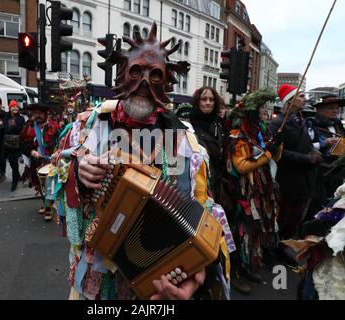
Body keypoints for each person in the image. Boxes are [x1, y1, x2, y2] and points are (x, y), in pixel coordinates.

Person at [53, 23, 229, 300]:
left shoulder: (185, 140)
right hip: (101, 284)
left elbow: (204, 208)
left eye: (155, 75)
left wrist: (200, 268)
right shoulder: (88, 126)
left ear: (167, 81)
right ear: (122, 73)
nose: (145, 82)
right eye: (136, 71)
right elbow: (55, 174)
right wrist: (76, 170)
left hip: (161, 282)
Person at [225, 90, 283, 294]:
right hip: (244, 196)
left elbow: (272, 155)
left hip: (261, 191)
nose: (261, 114)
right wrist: (267, 154)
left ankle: (249, 267)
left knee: (256, 231)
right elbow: (241, 166)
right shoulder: (237, 135)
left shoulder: (259, 132)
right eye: (257, 111)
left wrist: (277, 144)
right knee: (242, 234)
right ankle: (236, 274)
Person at [269, 84, 323, 257]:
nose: (304, 99)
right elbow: (278, 153)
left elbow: (305, 144)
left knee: (295, 218)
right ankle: (274, 249)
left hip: (304, 180)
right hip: (288, 180)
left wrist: (313, 152)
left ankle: (284, 246)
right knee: (283, 218)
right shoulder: (278, 123)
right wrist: (307, 159)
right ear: (289, 101)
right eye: (300, 96)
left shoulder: (302, 120)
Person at [306, 95, 345, 211]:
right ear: (319, 110)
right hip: (318, 172)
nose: (335, 111)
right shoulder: (310, 124)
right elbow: (305, 147)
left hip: (337, 172)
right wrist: (324, 143)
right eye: (331, 108)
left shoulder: (339, 124)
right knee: (316, 204)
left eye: (336, 108)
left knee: (334, 203)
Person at [20, 102, 60, 221]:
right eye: (35, 113)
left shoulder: (53, 125)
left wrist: (57, 153)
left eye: (39, 113)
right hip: (37, 160)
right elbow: (23, 142)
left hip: (51, 159)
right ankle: (45, 203)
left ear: (45, 114)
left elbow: (61, 140)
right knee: (40, 184)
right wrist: (31, 151)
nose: (37, 116)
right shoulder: (30, 126)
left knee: (50, 184)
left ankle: (49, 208)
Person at [189, 87, 226, 202]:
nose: (208, 103)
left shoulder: (218, 125)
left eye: (211, 99)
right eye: (204, 99)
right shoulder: (189, 125)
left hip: (216, 185)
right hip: (198, 187)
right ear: (197, 101)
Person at [4, 100, 25, 191]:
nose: (15, 108)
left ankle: (14, 181)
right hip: (8, 144)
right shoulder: (5, 118)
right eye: (13, 107)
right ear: (10, 108)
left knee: (15, 163)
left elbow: (21, 130)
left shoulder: (21, 118)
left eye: (16, 107)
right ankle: (17, 175)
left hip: (18, 143)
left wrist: (14, 126)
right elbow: (5, 130)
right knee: (12, 163)